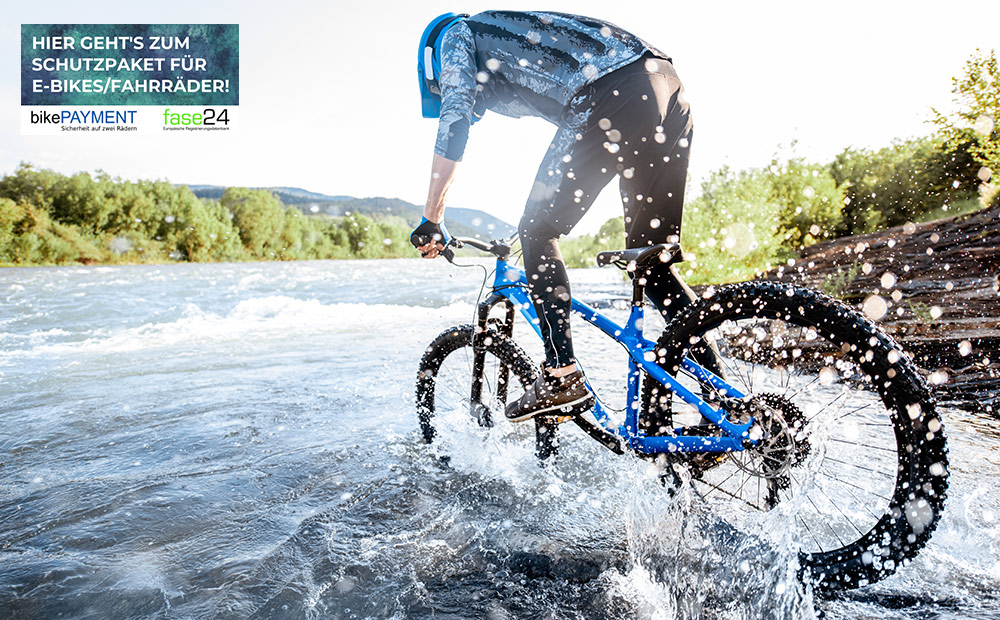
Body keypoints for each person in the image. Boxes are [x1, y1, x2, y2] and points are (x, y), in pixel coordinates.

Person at [410, 11, 705, 424]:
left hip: (611, 90)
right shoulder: (514, 40)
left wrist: (432, 217)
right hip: (665, 86)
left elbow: (456, 117)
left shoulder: (453, 35)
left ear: (432, 66)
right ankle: (727, 404)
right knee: (651, 265)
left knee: (537, 229)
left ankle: (562, 376)